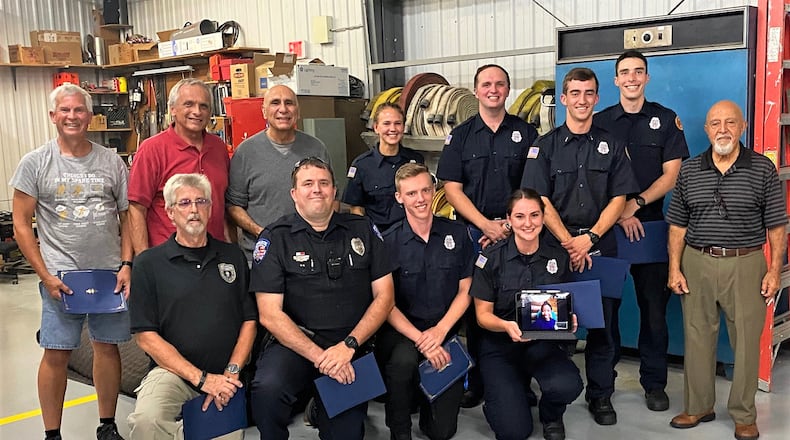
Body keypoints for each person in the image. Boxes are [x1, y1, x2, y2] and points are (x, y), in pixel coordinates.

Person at [10, 84, 132, 440]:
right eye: (64, 110)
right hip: (60, 278)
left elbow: (127, 217)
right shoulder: (35, 163)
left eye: (79, 110)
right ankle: (52, 433)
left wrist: (126, 265)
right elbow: (21, 224)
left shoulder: (111, 161)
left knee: (107, 348)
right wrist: (45, 275)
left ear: (90, 116)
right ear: (52, 116)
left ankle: (107, 425)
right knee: (56, 352)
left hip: (109, 275)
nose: (72, 116)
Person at [521, 67, 639, 426]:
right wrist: (569, 241)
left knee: (604, 326)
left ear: (597, 98)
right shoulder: (544, 146)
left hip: (602, 246)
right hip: (556, 249)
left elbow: (620, 196)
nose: (582, 100)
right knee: (551, 326)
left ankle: (600, 395)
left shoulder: (613, 144)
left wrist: (590, 239)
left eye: (588, 93)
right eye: (575, 93)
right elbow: (540, 198)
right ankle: (553, 402)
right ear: (563, 99)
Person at [249, 157, 395, 439]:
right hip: (294, 344)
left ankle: (319, 407)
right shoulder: (275, 238)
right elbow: (269, 314)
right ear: (294, 194)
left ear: (334, 190)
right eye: (307, 183)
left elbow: (385, 298)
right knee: (267, 390)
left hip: (350, 346)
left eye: (323, 183)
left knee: (346, 434)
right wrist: (321, 357)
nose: (317, 189)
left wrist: (348, 346)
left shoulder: (362, 229)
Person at [666, 100, 786, 440]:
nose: (723, 129)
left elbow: (776, 226)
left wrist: (774, 271)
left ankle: (744, 415)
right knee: (697, 337)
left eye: (730, 123)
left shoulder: (762, 169)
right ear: (706, 130)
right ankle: (698, 406)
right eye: (715, 123)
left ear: (743, 127)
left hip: (746, 263)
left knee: (747, 342)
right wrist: (675, 268)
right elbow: (677, 224)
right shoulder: (690, 170)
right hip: (697, 261)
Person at [436, 64, 538, 407]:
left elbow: (532, 187)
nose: (493, 89)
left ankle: (521, 382)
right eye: (486, 84)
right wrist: (485, 224)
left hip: (518, 233)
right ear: (476, 91)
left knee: (517, 306)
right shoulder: (461, 136)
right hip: (474, 235)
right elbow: (452, 189)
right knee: (477, 311)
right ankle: (477, 381)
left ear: (508, 89)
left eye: (499, 83)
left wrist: (509, 224)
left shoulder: (527, 134)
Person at [593, 50, 690, 412]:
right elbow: (595, 176)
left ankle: (654, 384)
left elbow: (672, 174)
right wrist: (619, 213)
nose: (631, 78)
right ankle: (603, 385)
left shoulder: (665, 120)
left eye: (638, 72)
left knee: (653, 312)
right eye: (624, 73)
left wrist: (635, 204)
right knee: (607, 312)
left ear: (647, 78)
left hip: (649, 229)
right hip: (609, 230)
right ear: (615, 80)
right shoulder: (600, 122)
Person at [127, 173, 257, 440]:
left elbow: (249, 321)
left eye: (201, 201)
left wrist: (231, 374)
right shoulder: (148, 264)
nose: (194, 210)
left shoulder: (233, 256)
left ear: (210, 208)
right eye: (184, 203)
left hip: (227, 375)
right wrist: (202, 379)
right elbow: (146, 337)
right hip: (172, 372)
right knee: (145, 422)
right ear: (170, 212)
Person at [470, 189, 583, 440]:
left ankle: (552, 414)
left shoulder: (558, 256)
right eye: (520, 216)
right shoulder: (490, 259)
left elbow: (564, 301)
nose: (528, 223)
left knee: (568, 385)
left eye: (534, 215)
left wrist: (569, 319)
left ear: (544, 217)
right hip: (500, 346)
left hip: (543, 343)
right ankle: (503, 398)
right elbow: (482, 316)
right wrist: (507, 326)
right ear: (509, 219)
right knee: (514, 432)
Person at [377, 163, 474, 440]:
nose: (419, 199)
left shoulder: (457, 234)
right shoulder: (388, 242)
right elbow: (386, 303)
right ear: (399, 197)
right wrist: (422, 339)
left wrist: (440, 332)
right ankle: (400, 430)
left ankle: (424, 400)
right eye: (411, 194)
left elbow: (466, 288)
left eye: (424, 191)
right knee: (403, 363)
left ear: (434, 191)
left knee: (442, 432)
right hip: (404, 333)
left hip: (444, 331)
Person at [226, 85, 330, 263]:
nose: (283, 109)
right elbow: (233, 206)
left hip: (310, 252)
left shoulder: (316, 148)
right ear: (264, 111)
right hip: (262, 255)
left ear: (297, 111)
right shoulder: (246, 152)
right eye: (275, 103)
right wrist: (262, 232)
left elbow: (331, 198)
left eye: (289, 103)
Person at [128, 78, 231, 254]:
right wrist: (144, 263)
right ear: (173, 110)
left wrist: (231, 251)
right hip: (168, 260)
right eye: (189, 104)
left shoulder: (218, 148)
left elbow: (223, 207)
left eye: (203, 106)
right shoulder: (152, 149)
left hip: (214, 256)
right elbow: (137, 209)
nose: (197, 112)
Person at [342, 103, 424, 231]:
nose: (393, 129)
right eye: (386, 124)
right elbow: (356, 208)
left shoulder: (416, 161)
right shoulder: (361, 165)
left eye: (398, 123)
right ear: (376, 127)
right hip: (379, 238)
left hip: (412, 235)